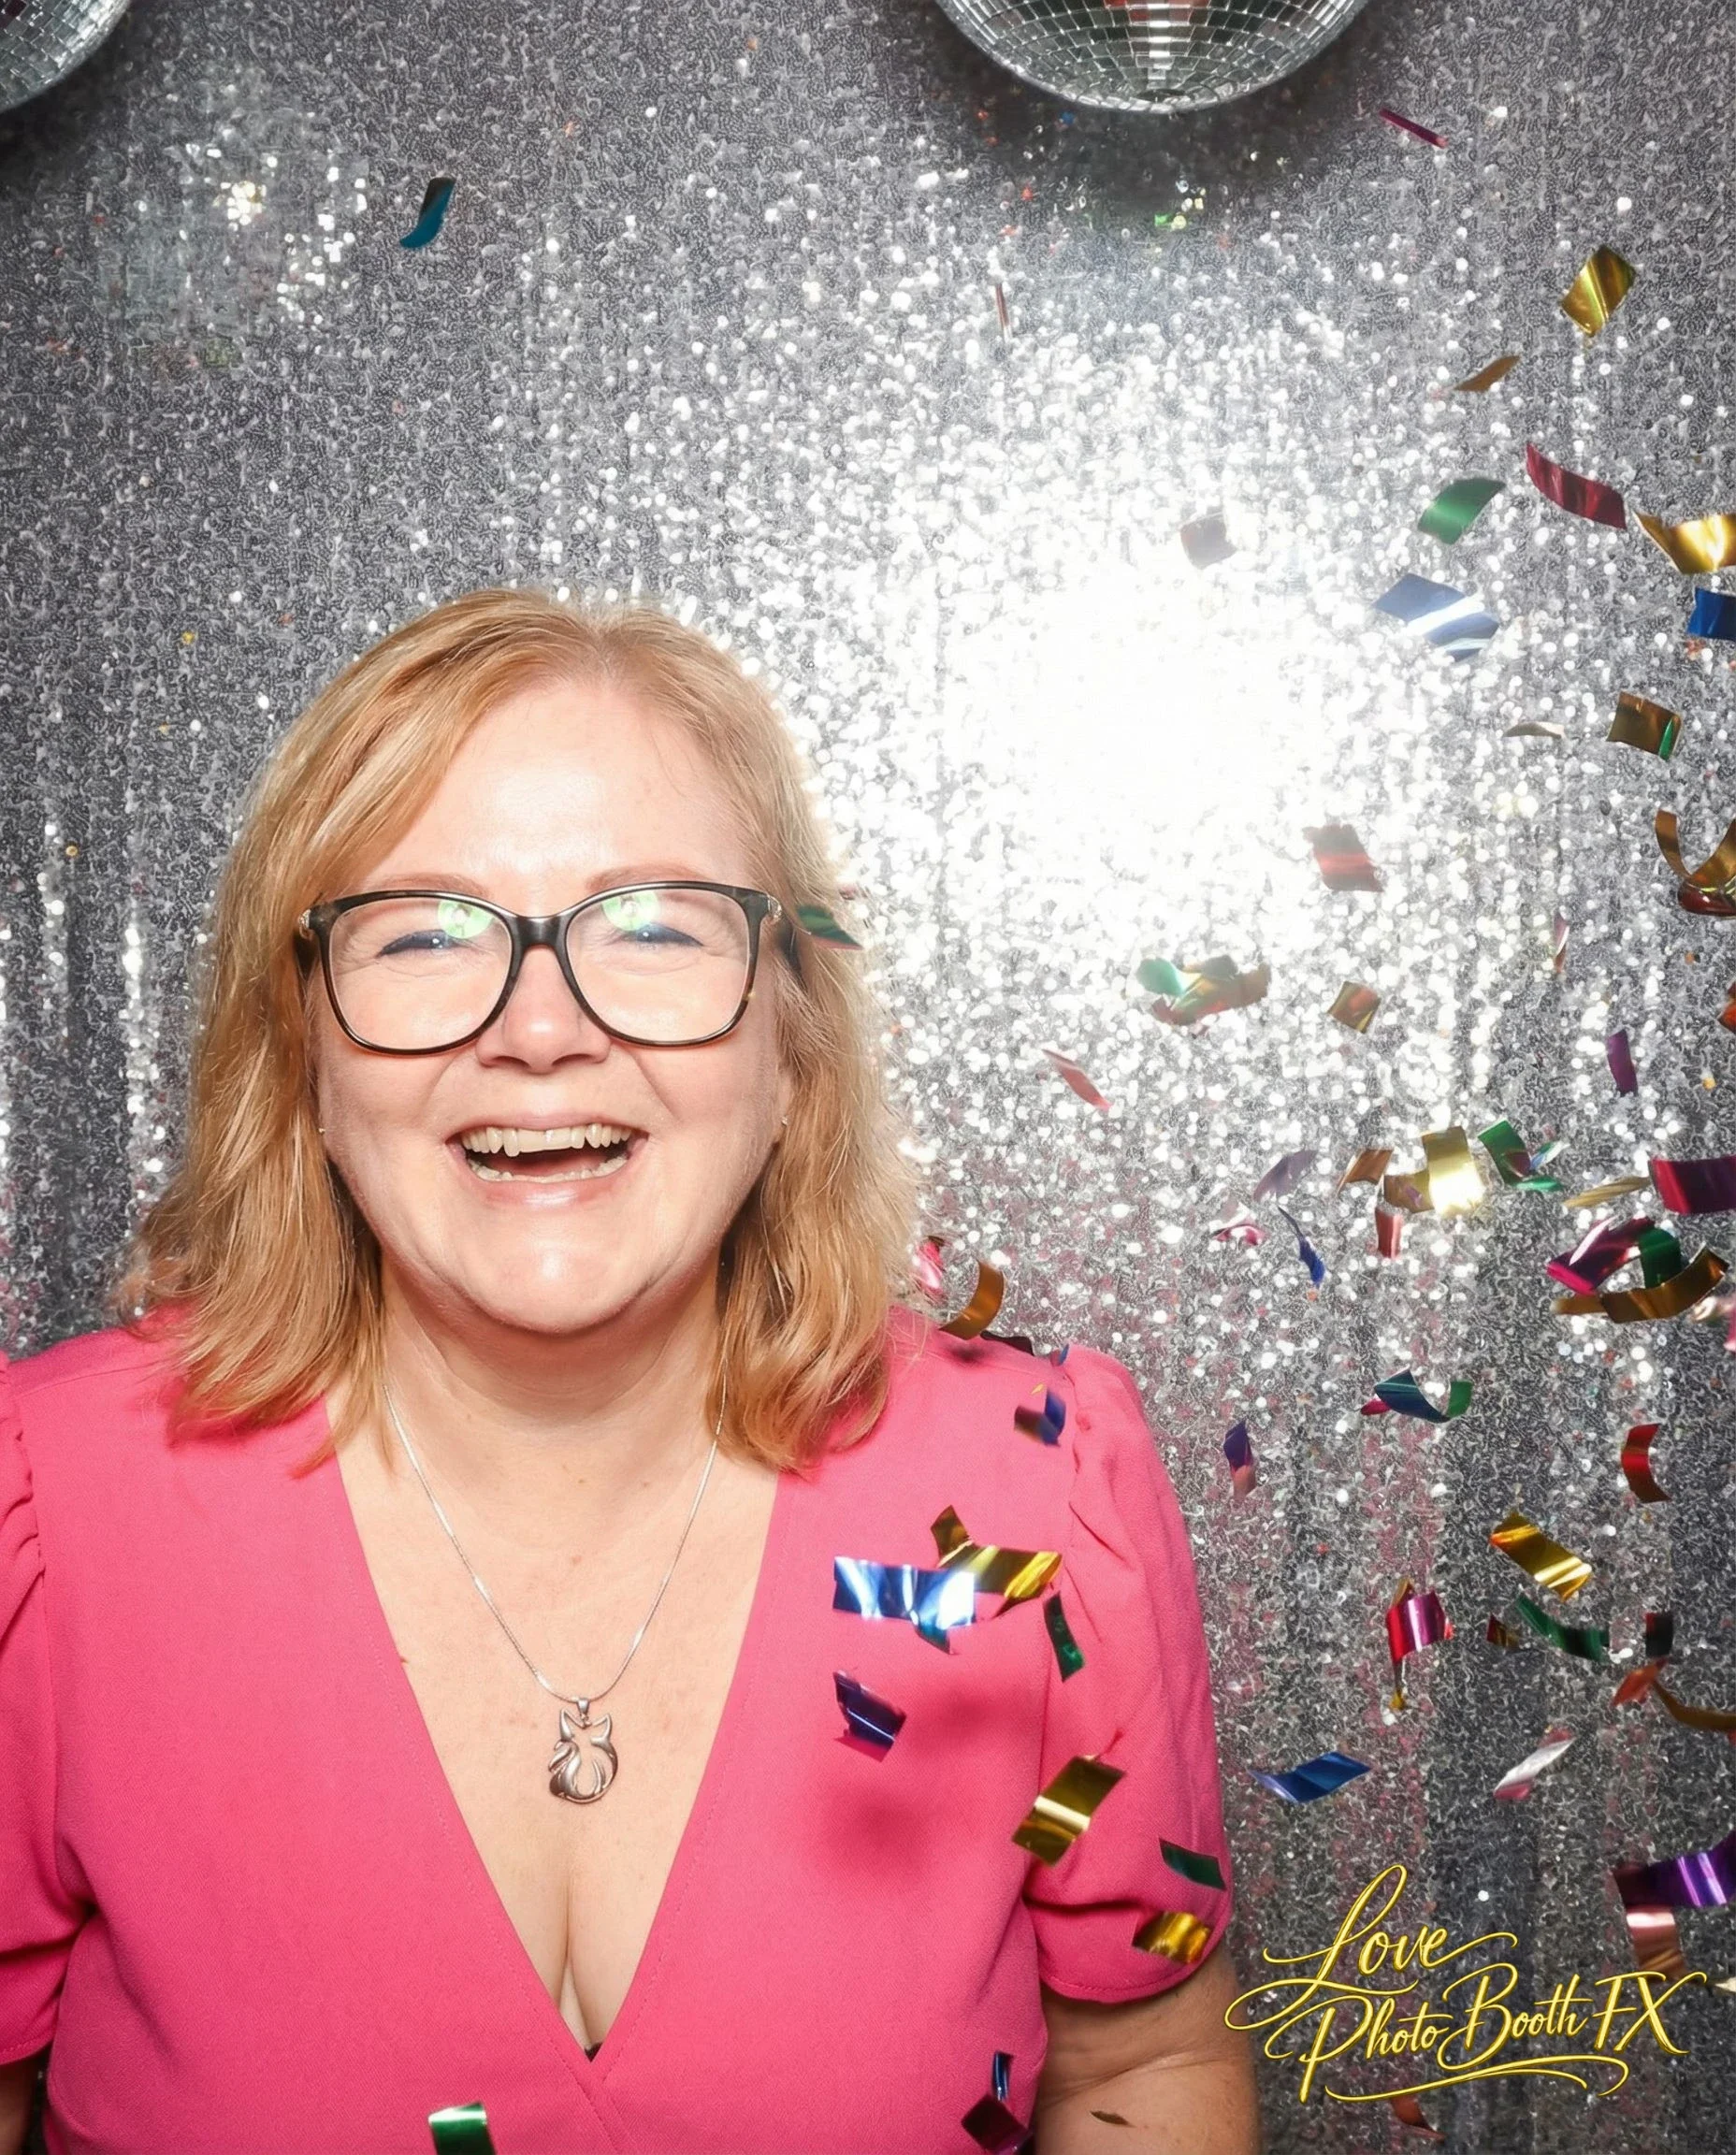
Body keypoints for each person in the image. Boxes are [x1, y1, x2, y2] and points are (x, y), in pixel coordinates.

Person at [0, 589, 1259, 2154]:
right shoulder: (44, 1511)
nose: (539, 1029)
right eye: (422, 934)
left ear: (791, 1046)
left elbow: (1143, 2075)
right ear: (299, 1055)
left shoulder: (1038, 1488)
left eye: (655, 926)